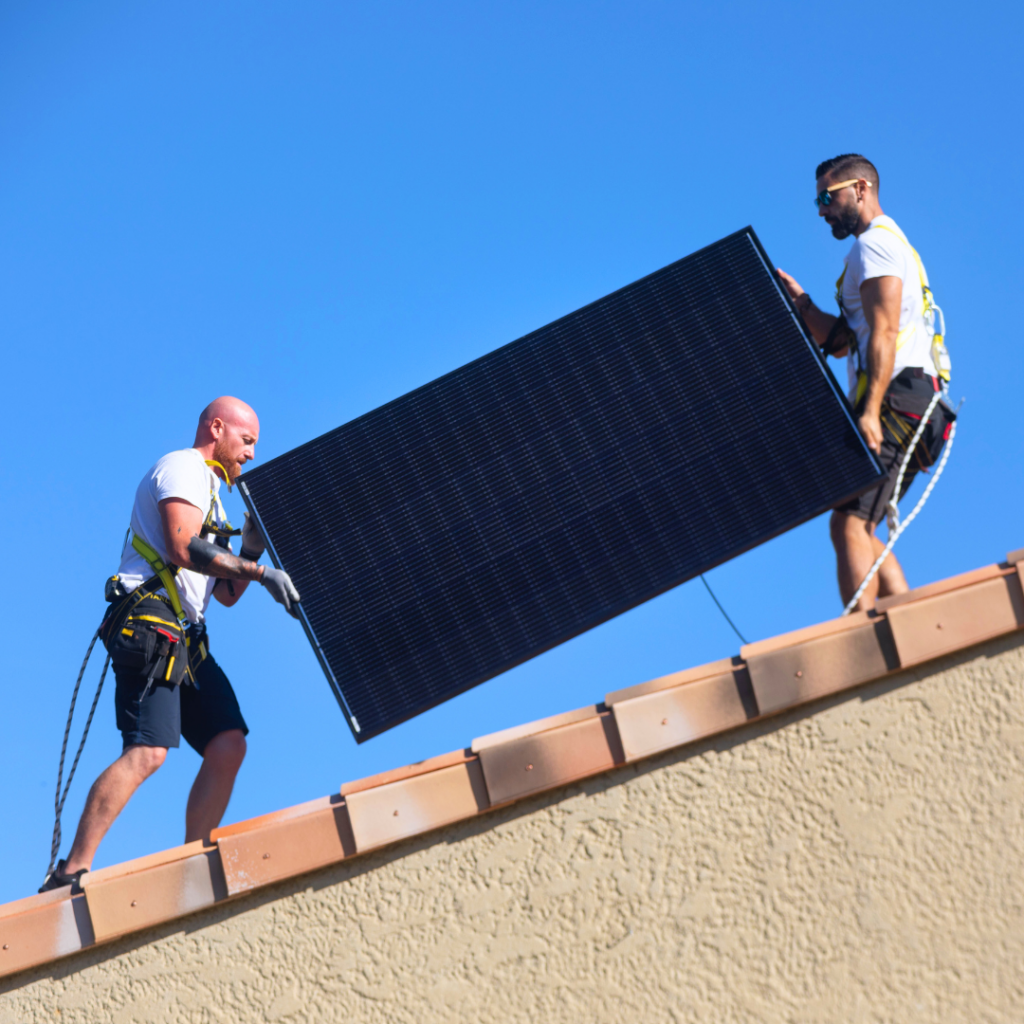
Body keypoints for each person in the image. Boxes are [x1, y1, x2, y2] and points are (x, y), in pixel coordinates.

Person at [41, 396, 300, 891]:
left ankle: (191, 862)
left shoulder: (213, 496)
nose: (251, 454)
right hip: (150, 622)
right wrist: (263, 572)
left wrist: (250, 548)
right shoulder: (182, 468)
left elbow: (224, 595)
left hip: (185, 634)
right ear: (217, 428)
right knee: (148, 750)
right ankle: (70, 871)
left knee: (228, 744)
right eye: (247, 441)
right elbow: (183, 548)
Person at [777, 154, 953, 611]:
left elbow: (884, 331)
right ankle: (907, 623)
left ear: (860, 188)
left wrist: (871, 411)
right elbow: (843, 343)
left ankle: (861, 637)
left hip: (895, 399)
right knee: (861, 522)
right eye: (817, 201)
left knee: (849, 524)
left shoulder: (874, 245)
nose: (821, 210)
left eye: (826, 197)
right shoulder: (884, 246)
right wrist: (802, 305)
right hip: (916, 402)